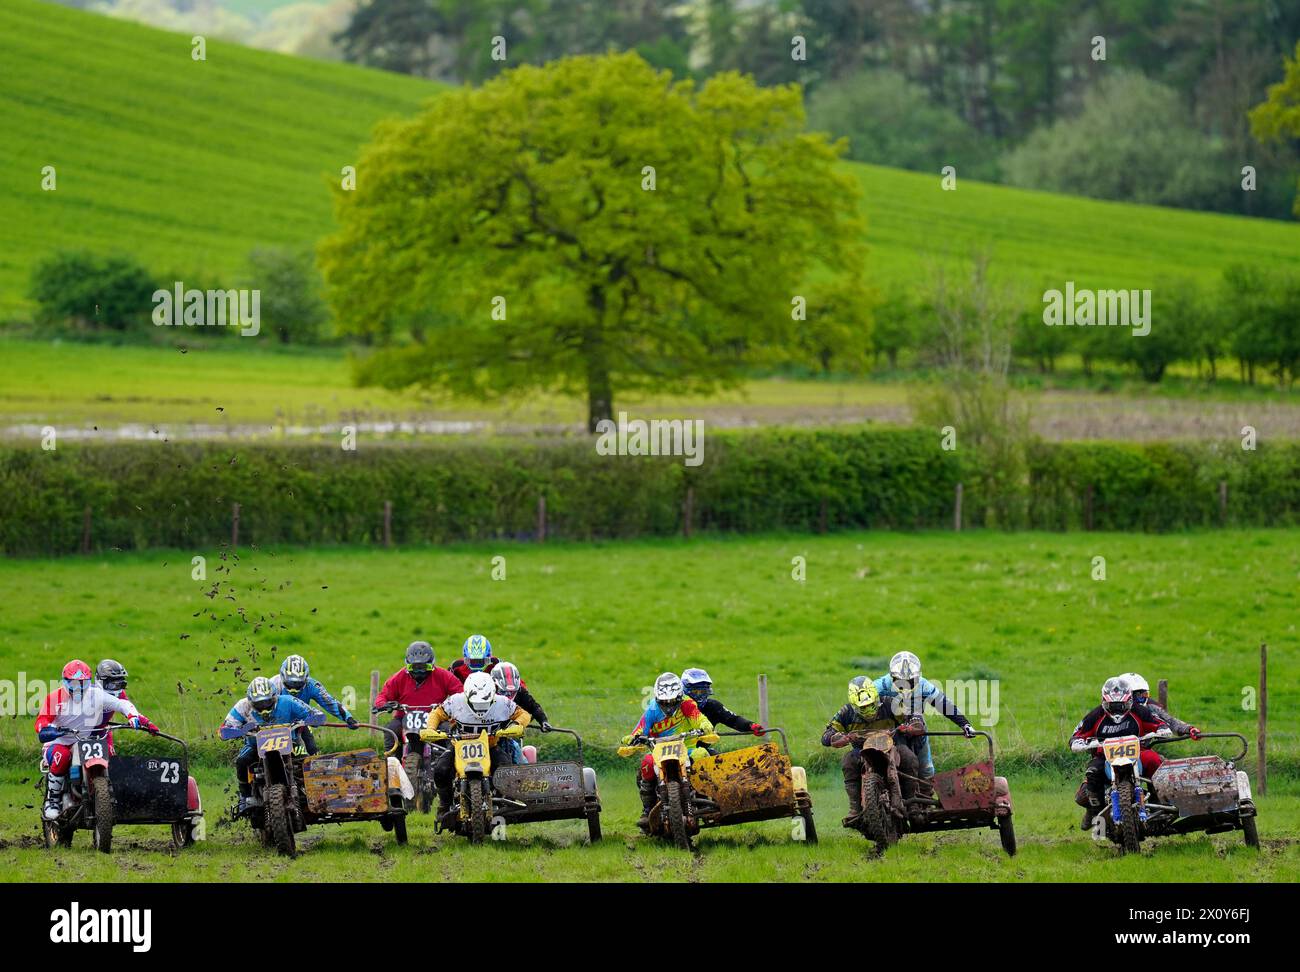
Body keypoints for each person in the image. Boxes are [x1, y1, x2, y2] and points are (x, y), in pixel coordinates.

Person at [36, 660, 158, 820]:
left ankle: (101, 797)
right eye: (74, 684)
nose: (78, 688)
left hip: (82, 740)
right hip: (58, 742)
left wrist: (133, 716)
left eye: (83, 683)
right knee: (62, 756)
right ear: (65, 682)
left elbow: (122, 704)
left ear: (89, 682)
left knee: (109, 759)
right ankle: (53, 800)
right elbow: (41, 722)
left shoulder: (96, 694)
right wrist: (48, 730)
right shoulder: (54, 698)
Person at [420, 671, 530, 822]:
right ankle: (444, 804)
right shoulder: (455, 701)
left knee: (506, 770)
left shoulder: (503, 702)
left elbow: (523, 714)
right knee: (441, 770)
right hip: (459, 746)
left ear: (492, 696)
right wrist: (431, 729)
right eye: (476, 704)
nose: (480, 709)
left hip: (490, 746)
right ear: (466, 696)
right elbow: (437, 713)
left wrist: (517, 725)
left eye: (484, 704)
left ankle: (503, 803)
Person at [1070, 677, 1170, 830]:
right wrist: (1079, 743)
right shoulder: (1095, 715)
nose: (1117, 710)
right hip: (1105, 756)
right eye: (1113, 706)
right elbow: (1077, 734)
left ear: (1129, 700)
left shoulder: (1140, 711)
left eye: (1121, 705)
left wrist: (1162, 729)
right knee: (1093, 772)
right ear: (1104, 701)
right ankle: (1095, 810)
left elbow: (1159, 723)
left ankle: (1159, 802)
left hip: (1137, 752)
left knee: (1154, 760)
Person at [219, 676, 326, 815]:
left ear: (274, 697)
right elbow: (223, 730)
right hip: (255, 745)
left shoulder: (287, 701)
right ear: (251, 702)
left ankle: (316, 792)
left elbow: (315, 714)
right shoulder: (242, 706)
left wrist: (311, 719)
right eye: (259, 704)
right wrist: (238, 730)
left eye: (267, 702)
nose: (264, 708)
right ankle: (244, 797)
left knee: (305, 761)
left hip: (290, 742)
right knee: (241, 762)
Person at [620, 673, 714, 830]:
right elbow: (640, 729)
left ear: (679, 697)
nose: (669, 706)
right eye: (664, 702)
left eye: (672, 702)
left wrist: (705, 726)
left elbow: (699, 718)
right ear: (657, 699)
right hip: (660, 751)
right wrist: (631, 739)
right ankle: (647, 809)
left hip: (687, 748)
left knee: (702, 754)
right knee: (647, 763)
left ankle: (703, 797)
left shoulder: (687, 704)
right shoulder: (652, 709)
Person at [821, 676, 917, 827]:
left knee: (909, 757)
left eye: (871, 704)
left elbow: (913, 716)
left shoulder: (890, 703)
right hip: (862, 751)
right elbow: (826, 735)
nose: (868, 710)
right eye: (863, 707)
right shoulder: (845, 712)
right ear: (854, 705)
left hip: (893, 746)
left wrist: (911, 724)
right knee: (848, 761)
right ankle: (855, 808)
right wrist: (837, 737)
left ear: (876, 698)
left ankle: (912, 804)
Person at [874, 651, 975, 779]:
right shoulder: (880, 685)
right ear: (892, 676)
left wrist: (965, 724)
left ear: (917, 677)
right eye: (900, 681)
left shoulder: (923, 684)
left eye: (910, 681)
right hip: (886, 726)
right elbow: (860, 703)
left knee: (926, 770)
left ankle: (926, 789)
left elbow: (944, 704)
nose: (905, 685)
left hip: (916, 725)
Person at [373, 641, 463, 757]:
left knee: (449, 731)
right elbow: (383, 696)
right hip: (404, 718)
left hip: (436, 718)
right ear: (407, 665)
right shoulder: (399, 677)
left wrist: (453, 706)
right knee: (391, 730)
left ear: (432, 664)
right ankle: (391, 763)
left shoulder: (443, 676)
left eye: (424, 668)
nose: (419, 672)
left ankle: (448, 762)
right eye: (414, 668)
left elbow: (460, 693)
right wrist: (383, 704)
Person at [270, 653, 357, 754]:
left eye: (298, 684)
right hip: (274, 724)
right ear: (282, 677)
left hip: (300, 722)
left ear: (306, 679)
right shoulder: (272, 685)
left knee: (311, 749)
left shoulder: (312, 685)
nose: (293, 688)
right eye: (290, 683)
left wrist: (348, 718)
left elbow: (330, 702)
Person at [491, 661, 552, 764]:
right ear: (494, 686)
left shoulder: (521, 692)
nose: (508, 695)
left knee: (519, 757)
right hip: (486, 736)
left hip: (508, 735)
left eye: (512, 692)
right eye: (504, 692)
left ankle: (526, 777)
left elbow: (533, 707)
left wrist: (543, 721)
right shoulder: (485, 695)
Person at [680, 668, 764, 739]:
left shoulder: (713, 707)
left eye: (704, 691)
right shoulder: (674, 707)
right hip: (674, 750)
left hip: (702, 751)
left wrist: (750, 726)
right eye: (696, 691)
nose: (700, 696)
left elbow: (733, 720)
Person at [1119, 673, 1200, 739]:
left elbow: (1169, 721)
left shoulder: (1150, 705)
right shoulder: (1109, 708)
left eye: (1144, 694)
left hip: (1141, 749)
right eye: (1138, 695)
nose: (1143, 698)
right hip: (1110, 749)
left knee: (1155, 759)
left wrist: (1189, 729)